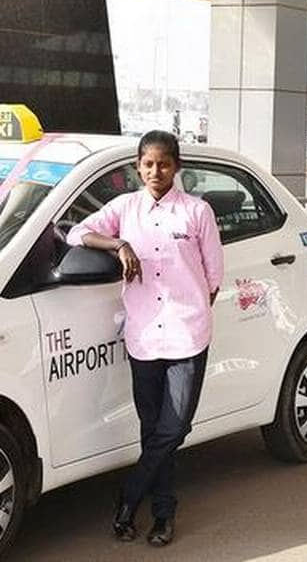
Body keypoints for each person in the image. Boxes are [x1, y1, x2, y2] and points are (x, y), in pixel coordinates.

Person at [66, 131, 224, 547]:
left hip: (187, 336)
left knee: (175, 427)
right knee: (152, 429)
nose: (156, 171)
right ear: (138, 166)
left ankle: (128, 496)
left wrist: (189, 308)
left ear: (177, 167)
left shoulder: (197, 212)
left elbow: (213, 279)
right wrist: (118, 243)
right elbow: (75, 233)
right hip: (143, 336)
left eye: (164, 164)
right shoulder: (124, 208)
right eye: (148, 164)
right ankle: (163, 516)